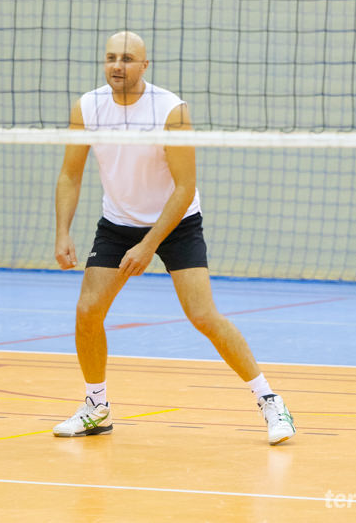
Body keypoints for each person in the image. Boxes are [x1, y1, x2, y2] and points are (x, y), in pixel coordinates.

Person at [52, 31, 296, 445]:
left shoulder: (170, 110)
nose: (117, 65)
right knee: (87, 311)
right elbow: (70, 174)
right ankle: (96, 406)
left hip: (177, 221)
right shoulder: (88, 106)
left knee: (203, 315)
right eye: (110, 57)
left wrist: (148, 246)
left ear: (144, 65)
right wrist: (62, 231)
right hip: (117, 224)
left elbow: (185, 188)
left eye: (127, 58)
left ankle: (270, 400)